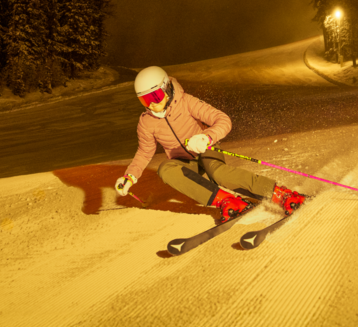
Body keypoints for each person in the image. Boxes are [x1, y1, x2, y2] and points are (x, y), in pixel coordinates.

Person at [115, 66, 305, 222]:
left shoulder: (186, 102)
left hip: (205, 150)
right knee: (165, 169)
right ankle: (227, 201)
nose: (150, 105)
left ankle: (282, 194)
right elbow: (144, 152)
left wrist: (206, 137)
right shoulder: (147, 122)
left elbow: (222, 119)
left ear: (166, 89)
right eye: (144, 100)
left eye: (154, 97)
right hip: (184, 161)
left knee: (218, 173)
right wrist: (130, 176)